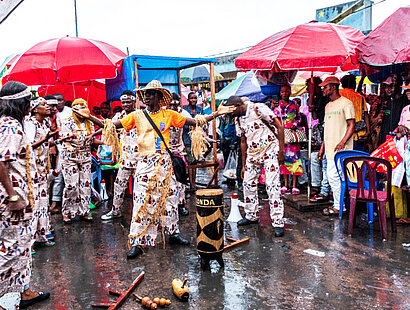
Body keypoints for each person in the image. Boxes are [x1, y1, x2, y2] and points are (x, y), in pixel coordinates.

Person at [74, 80, 234, 259]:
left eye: (150, 93)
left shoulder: (170, 115)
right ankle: (137, 241)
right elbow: (111, 126)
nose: (146, 97)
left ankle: (173, 233)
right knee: (141, 202)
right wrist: (89, 117)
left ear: (159, 96)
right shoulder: (136, 115)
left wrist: (216, 114)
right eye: (145, 94)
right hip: (144, 163)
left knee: (170, 200)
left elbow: (195, 121)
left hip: (165, 162)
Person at [0, 81, 50, 310]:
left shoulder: (12, 124)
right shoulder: (10, 126)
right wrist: (13, 197)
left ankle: (24, 291)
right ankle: (6, 301)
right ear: (21, 103)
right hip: (13, 200)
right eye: (29, 100)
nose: (32, 104)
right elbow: (1, 162)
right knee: (11, 249)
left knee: (22, 246)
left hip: (22, 196)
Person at [225, 96, 285, 237]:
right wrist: (245, 163)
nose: (230, 114)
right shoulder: (238, 119)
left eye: (231, 111)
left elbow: (279, 126)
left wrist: (281, 150)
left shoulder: (258, 108)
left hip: (270, 150)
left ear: (239, 105)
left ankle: (277, 222)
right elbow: (243, 141)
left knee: (272, 186)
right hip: (253, 154)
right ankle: (251, 215)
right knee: (248, 184)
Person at [59, 98, 101, 224]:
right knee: (72, 186)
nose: (81, 112)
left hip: (86, 158)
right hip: (70, 158)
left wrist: (103, 143)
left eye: (83, 108)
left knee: (86, 185)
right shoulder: (67, 122)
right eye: (78, 109)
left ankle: (84, 212)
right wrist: (69, 145)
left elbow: (92, 140)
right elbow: (64, 140)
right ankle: (67, 213)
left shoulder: (89, 123)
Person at [318, 77, 355, 216]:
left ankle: (340, 206)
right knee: (333, 177)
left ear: (333, 87)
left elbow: (352, 125)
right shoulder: (328, 106)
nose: (323, 89)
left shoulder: (346, 103)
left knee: (338, 177)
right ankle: (339, 205)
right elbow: (327, 129)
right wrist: (322, 148)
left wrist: (342, 142)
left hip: (342, 150)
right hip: (330, 149)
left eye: (325, 87)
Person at [101, 90, 139, 220]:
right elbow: (108, 127)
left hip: (141, 159)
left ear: (134, 101)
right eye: (123, 102)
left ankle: (140, 214)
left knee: (141, 189)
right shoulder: (119, 116)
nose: (126, 104)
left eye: (128, 102)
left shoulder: (140, 115)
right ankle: (115, 211)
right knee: (119, 185)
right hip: (125, 159)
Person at [25, 97, 58, 246]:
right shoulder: (30, 124)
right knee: (35, 204)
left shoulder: (44, 123)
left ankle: (42, 234)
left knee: (44, 202)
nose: (48, 107)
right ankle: (29, 240)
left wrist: (58, 140)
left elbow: (45, 142)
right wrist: (47, 138)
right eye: (44, 104)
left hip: (43, 168)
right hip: (32, 169)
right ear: (35, 109)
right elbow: (29, 146)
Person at [306, 77, 331, 202]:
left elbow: (312, 107)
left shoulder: (324, 96)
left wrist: (312, 93)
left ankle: (325, 189)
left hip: (328, 126)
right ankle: (316, 185)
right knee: (316, 157)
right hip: (321, 127)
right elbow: (313, 113)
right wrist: (310, 94)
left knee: (325, 160)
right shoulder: (314, 98)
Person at [276, 85, 303, 195]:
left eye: (287, 91)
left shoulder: (294, 105)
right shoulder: (277, 106)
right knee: (283, 160)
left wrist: (295, 124)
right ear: (280, 93)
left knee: (295, 160)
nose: (285, 93)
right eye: (283, 91)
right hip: (282, 137)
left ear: (290, 92)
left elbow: (299, 118)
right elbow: (275, 120)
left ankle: (294, 185)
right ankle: (285, 185)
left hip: (292, 137)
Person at [168, 93, 189, 216]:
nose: (173, 107)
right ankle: (169, 207)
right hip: (165, 153)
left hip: (179, 152)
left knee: (180, 181)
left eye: (175, 105)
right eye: (170, 105)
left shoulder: (183, 114)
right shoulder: (162, 114)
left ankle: (181, 205)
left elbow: (195, 124)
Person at [50, 93, 71, 214]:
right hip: (57, 147)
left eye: (60, 100)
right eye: (56, 101)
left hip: (69, 147)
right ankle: (55, 202)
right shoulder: (52, 115)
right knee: (58, 175)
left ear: (64, 100)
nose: (58, 103)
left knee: (71, 176)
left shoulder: (70, 112)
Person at [339, 74, 370, 151]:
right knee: (357, 160)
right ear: (353, 84)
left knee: (344, 159)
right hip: (359, 134)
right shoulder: (360, 97)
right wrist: (368, 131)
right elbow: (366, 114)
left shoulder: (339, 94)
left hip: (343, 134)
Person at [182, 92, 204, 184]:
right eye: (191, 98)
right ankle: (191, 183)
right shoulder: (184, 110)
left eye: (195, 98)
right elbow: (183, 124)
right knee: (190, 162)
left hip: (197, 140)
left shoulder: (200, 110)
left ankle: (193, 182)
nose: (193, 100)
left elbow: (204, 122)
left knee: (194, 162)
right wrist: (193, 124)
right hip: (187, 139)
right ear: (188, 100)